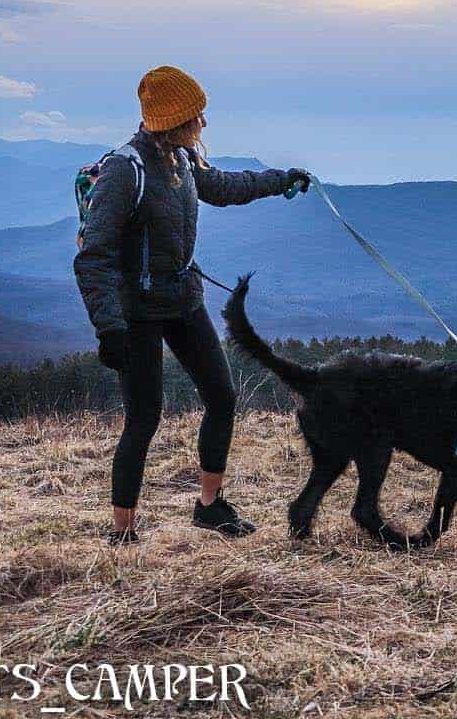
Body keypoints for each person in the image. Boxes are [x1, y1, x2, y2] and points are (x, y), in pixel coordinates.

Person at [74, 65, 311, 545]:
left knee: (222, 396)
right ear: (173, 119)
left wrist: (280, 179)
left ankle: (210, 507)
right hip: (136, 311)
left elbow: (225, 186)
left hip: (183, 299)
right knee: (144, 418)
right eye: (195, 115)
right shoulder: (127, 171)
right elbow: (93, 257)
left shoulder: (181, 160)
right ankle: (123, 533)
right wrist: (109, 328)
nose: (203, 123)